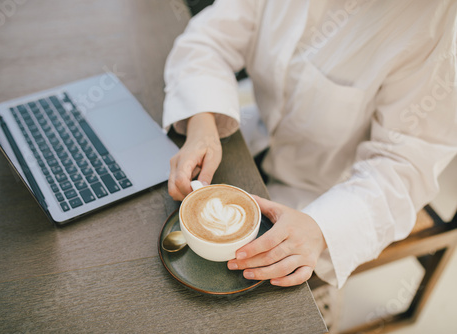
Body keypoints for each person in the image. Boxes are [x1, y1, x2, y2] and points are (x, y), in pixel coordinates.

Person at [162, 0, 457, 289]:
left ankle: (324, 302)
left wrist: (322, 228)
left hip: (324, 196)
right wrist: (202, 122)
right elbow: (209, 40)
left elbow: (404, 166)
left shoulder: (436, 29)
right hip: (248, 135)